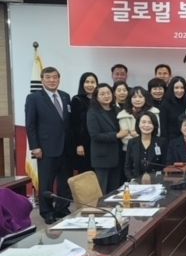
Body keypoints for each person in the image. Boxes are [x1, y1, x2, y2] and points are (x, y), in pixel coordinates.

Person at [25, 66, 74, 224]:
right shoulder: (34, 98)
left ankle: (62, 208)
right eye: (48, 77)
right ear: (42, 80)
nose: (52, 80)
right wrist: (35, 146)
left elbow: (67, 122)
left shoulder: (65, 96)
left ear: (59, 79)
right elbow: (30, 124)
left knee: (64, 181)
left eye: (55, 77)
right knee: (46, 182)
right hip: (45, 148)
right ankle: (47, 212)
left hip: (65, 147)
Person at [86, 83, 126, 193]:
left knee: (114, 190)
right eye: (102, 94)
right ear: (96, 97)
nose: (106, 96)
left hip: (117, 156)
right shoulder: (93, 112)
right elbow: (95, 136)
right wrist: (116, 135)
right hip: (102, 158)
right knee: (102, 191)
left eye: (108, 93)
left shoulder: (116, 110)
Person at [124, 111, 168, 180]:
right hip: (136, 181)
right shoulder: (132, 142)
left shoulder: (162, 142)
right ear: (138, 124)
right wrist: (132, 179)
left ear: (154, 125)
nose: (146, 125)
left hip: (156, 181)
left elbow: (165, 165)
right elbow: (127, 167)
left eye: (150, 122)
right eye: (143, 122)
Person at [71, 72, 98, 173]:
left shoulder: (99, 99)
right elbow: (75, 124)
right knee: (86, 173)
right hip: (84, 144)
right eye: (87, 82)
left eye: (93, 82)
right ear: (82, 84)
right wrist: (79, 144)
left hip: (98, 142)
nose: (90, 85)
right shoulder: (77, 99)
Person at [160, 76, 186, 141]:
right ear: (171, 89)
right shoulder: (165, 104)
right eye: (176, 88)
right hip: (171, 141)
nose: (179, 90)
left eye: (182, 88)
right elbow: (163, 128)